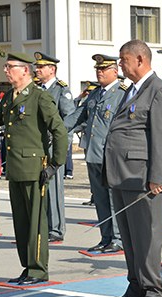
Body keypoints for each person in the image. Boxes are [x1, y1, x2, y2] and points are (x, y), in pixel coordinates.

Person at [103, 39, 162, 297]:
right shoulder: (131, 89)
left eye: (124, 59)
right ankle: (136, 285)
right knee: (131, 238)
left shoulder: (158, 90)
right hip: (123, 176)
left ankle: (152, 291)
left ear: (140, 60)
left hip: (143, 177)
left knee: (147, 240)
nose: (120, 64)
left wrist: (158, 177)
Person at [0, 52, 67, 285]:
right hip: (15, 168)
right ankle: (27, 267)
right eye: (5, 66)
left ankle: (38, 270)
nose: (6, 70)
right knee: (21, 223)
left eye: (10, 67)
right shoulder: (9, 98)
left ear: (25, 70)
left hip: (35, 168)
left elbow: (59, 131)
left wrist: (56, 164)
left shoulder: (39, 97)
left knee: (36, 222)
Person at [64, 54, 127, 253]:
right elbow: (78, 116)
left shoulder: (123, 93)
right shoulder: (95, 94)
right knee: (99, 198)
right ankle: (106, 237)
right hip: (93, 154)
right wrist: (56, 128)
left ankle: (118, 238)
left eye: (103, 69)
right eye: (97, 69)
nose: (99, 72)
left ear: (115, 72)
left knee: (113, 198)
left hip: (111, 155)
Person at [33, 51, 75, 242]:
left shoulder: (61, 90)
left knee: (54, 188)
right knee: (41, 186)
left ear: (52, 69)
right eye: (37, 67)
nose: (37, 70)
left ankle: (56, 229)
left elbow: (69, 119)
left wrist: (62, 146)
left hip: (53, 146)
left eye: (41, 67)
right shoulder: (37, 89)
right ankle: (45, 225)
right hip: (38, 145)